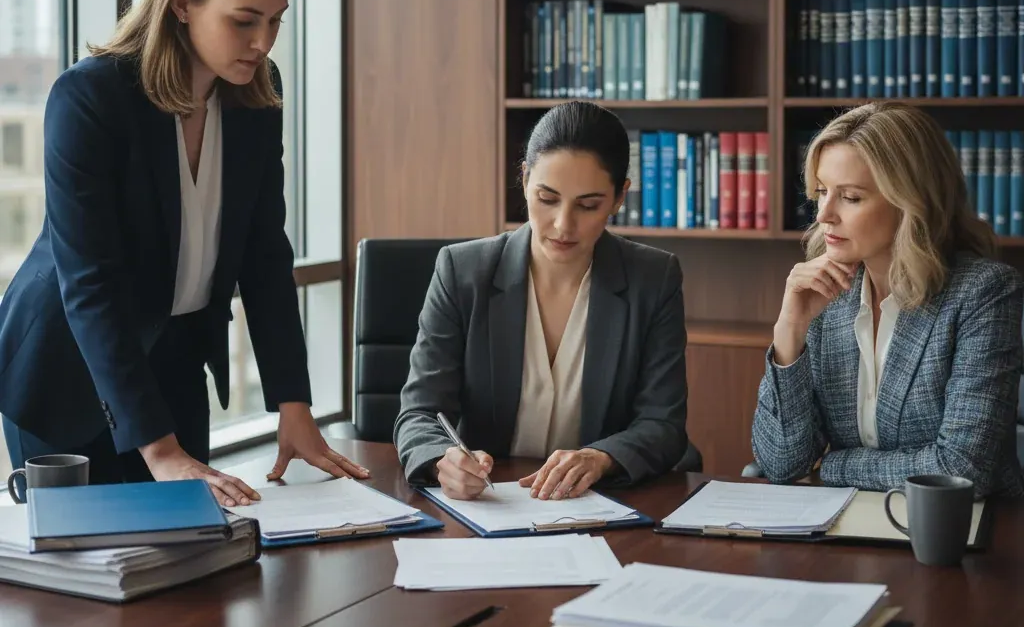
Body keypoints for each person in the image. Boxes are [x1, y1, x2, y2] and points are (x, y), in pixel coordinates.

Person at [0, 0, 367, 507]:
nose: (262, 42)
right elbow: (89, 285)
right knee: (90, 585)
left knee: (192, 567)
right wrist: (162, 452)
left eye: (276, 21)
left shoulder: (256, 96)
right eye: (244, 20)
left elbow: (265, 255)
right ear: (181, 2)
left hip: (174, 363)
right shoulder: (89, 99)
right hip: (70, 370)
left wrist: (293, 406)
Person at [394, 101, 689, 500]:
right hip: (490, 502)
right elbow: (419, 413)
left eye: (588, 205)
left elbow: (664, 425)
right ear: (525, 178)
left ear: (620, 197)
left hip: (595, 506)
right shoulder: (462, 271)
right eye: (547, 198)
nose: (563, 225)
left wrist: (601, 458)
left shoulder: (653, 279)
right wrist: (442, 459)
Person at [752, 102, 1024, 497]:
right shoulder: (827, 294)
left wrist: (833, 464)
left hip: (962, 536)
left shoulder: (983, 294)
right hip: (846, 528)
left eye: (851, 197)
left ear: (910, 202)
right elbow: (779, 463)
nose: (824, 214)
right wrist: (789, 333)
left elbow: (962, 469)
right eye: (822, 192)